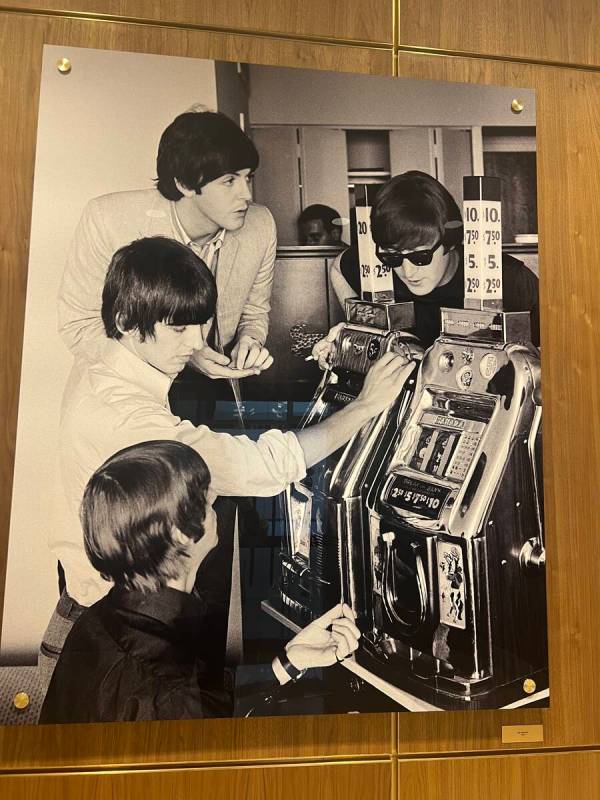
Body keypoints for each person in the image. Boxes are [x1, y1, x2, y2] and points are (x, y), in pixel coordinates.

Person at [40, 236, 413, 691]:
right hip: (110, 641)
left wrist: (191, 356)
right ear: (127, 323)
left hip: (100, 620)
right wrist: (365, 406)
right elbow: (262, 466)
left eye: (200, 324)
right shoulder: (129, 418)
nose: (197, 341)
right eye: (179, 329)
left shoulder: (101, 363)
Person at [39, 440, 361, 724]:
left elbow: (203, 703)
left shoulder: (99, 618)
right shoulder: (163, 689)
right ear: (183, 533)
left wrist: (290, 661)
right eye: (208, 500)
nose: (216, 505)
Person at [58, 109, 275, 377]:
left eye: (248, 177)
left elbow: (254, 311)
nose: (247, 195)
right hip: (129, 385)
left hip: (217, 385)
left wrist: (250, 341)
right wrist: (187, 354)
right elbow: (80, 325)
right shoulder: (109, 220)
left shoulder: (261, 224)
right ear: (184, 184)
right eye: (229, 181)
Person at [324, 171, 540, 354]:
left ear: (450, 241)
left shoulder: (510, 279)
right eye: (393, 257)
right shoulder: (375, 268)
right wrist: (359, 323)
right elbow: (338, 267)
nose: (407, 271)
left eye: (420, 257)